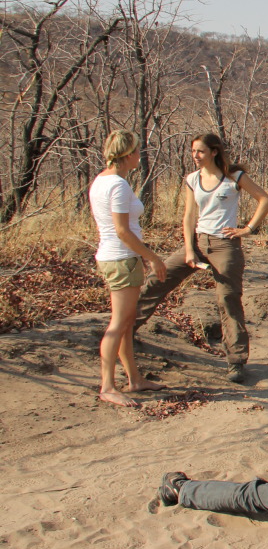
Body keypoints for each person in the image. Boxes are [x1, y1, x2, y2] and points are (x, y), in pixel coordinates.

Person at [135, 134, 268, 383]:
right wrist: (189, 249)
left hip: (225, 245)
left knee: (228, 299)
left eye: (200, 151)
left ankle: (236, 362)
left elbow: (265, 199)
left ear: (214, 152)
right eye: (193, 151)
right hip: (198, 242)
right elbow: (189, 216)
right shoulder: (192, 179)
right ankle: (124, 332)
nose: (195, 156)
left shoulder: (234, 177)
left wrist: (248, 229)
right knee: (158, 278)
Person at [89, 130, 169, 408]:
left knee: (126, 321)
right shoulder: (117, 185)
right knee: (119, 322)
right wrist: (153, 258)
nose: (139, 155)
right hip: (121, 257)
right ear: (128, 154)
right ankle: (108, 386)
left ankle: (134, 379)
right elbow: (122, 231)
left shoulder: (102, 180)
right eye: (137, 150)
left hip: (117, 256)